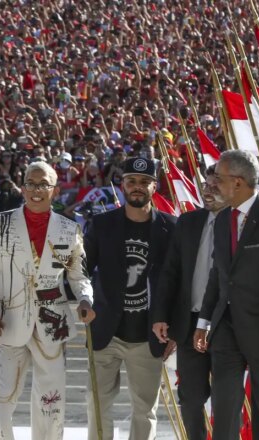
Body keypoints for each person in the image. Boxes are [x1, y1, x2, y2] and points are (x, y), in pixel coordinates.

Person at [0, 161, 95, 440]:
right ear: (22, 186)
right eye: (30, 183)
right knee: (5, 395)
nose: (36, 190)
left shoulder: (69, 229)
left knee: (51, 398)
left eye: (43, 185)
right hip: (7, 321)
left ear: (56, 189)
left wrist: (86, 299)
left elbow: (79, 276)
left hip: (54, 324)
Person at [193, 150, 259, 439]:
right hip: (225, 327)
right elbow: (218, 275)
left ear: (238, 182)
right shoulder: (222, 218)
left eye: (219, 179)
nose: (213, 185)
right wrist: (204, 321)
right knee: (224, 402)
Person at [83, 157, 176, 440]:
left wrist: (176, 327)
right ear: (122, 185)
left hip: (148, 337)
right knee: (97, 407)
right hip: (105, 333)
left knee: (144, 410)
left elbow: (179, 282)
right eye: (131, 181)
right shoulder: (101, 224)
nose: (137, 187)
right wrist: (84, 302)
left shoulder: (172, 227)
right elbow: (82, 270)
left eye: (144, 182)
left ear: (154, 186)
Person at [152, 165, 226, 440]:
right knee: (191, 398)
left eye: (215, 184)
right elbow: (170, 272)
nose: (208, 190)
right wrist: (161, 315)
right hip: (190, 323)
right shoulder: (188, 222)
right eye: (206, 184)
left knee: (225, 398)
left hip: (226, 324)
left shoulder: (245, 223)